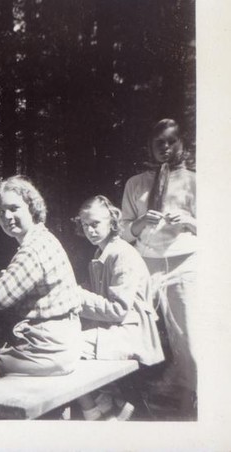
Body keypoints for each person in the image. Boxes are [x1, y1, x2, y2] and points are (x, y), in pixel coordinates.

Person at [0, 175, 82, 380]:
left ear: (32, 208)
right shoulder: (44, 238)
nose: (7, 216)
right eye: (1, 211)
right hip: (63, 341)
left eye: (14, 208)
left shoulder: (32, 250)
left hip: (47, 350)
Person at [121, 118, 197, 418]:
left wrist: (189, 221)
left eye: (171, 141)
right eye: (159, 143)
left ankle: (192, 400)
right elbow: (124, 231)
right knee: (134, 329)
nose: (165, 147)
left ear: (182, 145)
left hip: (186, 263)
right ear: (150, 148)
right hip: (145, 265)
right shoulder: (135, 183)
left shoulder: (194, 181)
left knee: (189, 335)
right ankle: (133, 397)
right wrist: (141, 223)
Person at [74, 195, 164, 420]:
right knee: (62, 341)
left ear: (112, 222)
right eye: (85, 225)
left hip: (132, 332)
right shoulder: (101, 252)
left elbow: (118, 309)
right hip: (114, 329)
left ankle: (96, 408)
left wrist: (77, 297)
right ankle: (107, 403)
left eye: (95, 224)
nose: (89, 230)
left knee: (66, 348)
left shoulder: (122, 253)